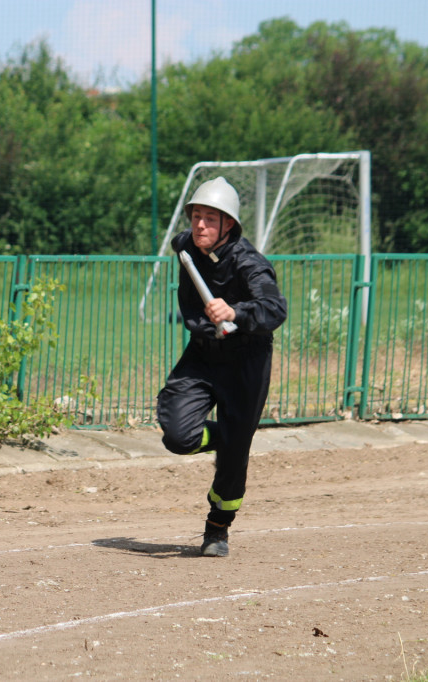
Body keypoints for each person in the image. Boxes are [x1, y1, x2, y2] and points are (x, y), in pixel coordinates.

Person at [156, 176, 287, 557]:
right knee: (179, 437)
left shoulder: (250, 264)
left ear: (228, 224)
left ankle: (217, 530)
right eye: (196, 216)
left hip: (246, 359)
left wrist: (235, 310)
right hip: (203, 354)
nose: (200, 225)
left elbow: (274, 308)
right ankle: (226, 436)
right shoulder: (184, 245)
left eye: (210, 219)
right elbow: (183, 243)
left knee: (234, 461)